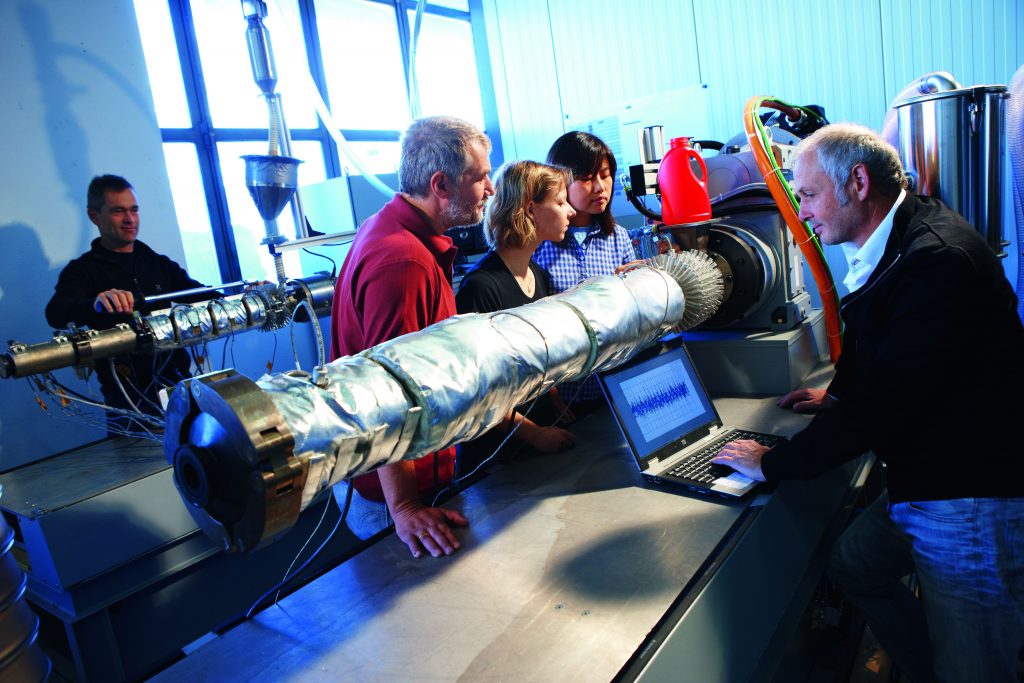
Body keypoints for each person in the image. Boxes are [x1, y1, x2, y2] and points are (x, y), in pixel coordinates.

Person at [712, 124, 1024, 683]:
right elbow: (877, 336)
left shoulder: (937, 261)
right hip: (924, 474)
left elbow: (886, 403)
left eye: (809, 195)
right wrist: (837, 394)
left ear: (857, 182)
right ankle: (931, 667)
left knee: (976, 669)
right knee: (854, 566)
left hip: (966, 496)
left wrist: (774, 462)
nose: (802, 213)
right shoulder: (900, 234)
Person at [330, 116, 494, 559]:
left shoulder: (392, 231)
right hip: (395, 503)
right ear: (441, 185)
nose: (490, 189)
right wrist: (404, 506)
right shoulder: (404, 261)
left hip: (412, 486)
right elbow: (384, 394)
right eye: (480, 177)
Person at [45, 174, 210, 433]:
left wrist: (247, 292)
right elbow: (55, 313)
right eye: (118, 211)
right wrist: (94, 303)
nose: (130, 219)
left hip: (179, 387)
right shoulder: (83, 270)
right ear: (94, 216)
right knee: (139, 460)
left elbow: (200, 293)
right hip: (127, 400)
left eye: (134, 210)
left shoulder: (156, 262)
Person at [455, 160, 578, 470]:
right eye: (560, 202)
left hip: (536, 445)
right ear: (531, 210)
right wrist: (535, 435)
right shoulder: (481, 288)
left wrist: (554, 400)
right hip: (497, 460)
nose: (571, 211)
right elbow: (479, 390)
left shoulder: (537, 274)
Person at [534, 132, 637, 419]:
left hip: (615, 391)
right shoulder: (540, 243)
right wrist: (550, 395)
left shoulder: (618, 237)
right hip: (560, 397)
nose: (600, 187)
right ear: (561, 181)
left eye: (605, 175)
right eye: (587, 178)